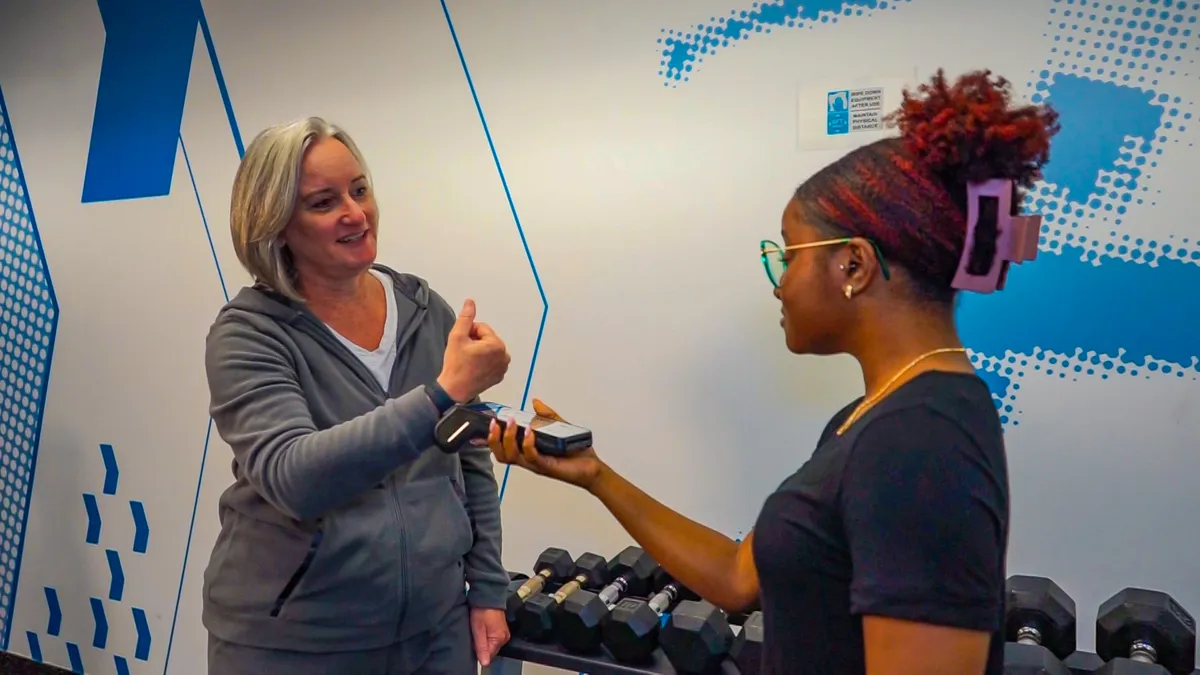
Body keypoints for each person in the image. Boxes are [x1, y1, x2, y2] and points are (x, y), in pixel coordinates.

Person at [488, 69, 1060, 675]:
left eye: (788, 254)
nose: (780, 282)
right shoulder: (873, 418)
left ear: (854, 265)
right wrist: (595, 475)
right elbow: (740, 579)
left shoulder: (921, 442)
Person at [202, 116, 514, 674]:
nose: (356, 213)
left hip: (434, 630)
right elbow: (294, 477)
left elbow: (469, 462)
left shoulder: (424, 309)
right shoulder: (249, 334)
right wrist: (442, 396)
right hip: (297, 643)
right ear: (275, 226)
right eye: (324, 202)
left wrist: (487, 587)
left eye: (360, 189)